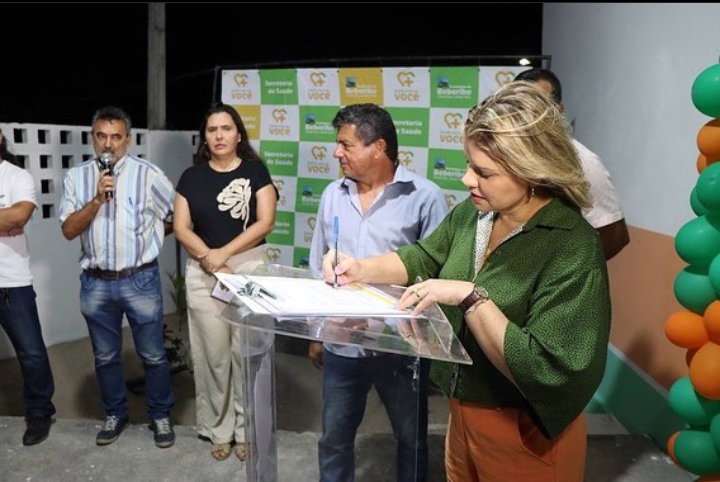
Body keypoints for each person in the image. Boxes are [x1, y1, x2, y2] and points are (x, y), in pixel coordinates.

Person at [324, 83, 611, 481]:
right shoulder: (474, 215)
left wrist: (470, 297)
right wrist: (360, 268)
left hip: (526, 431)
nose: (466, 179)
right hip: (462, 415)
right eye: (469, 164)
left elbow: (549, 370)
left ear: (532, 169)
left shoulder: (571, 246)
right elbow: (423, 257)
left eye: (483, 172)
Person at [308, 103, 449, 482]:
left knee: (411, 440)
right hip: (342, 343)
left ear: (378, 147)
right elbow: (318, 263)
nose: (336, 152)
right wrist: (318, 331)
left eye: (346, 145)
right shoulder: (332, 194)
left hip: (400, 347)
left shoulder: (425, 197)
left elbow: (437, 272)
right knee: (334, 438)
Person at [59, 106, 176, 448]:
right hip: (95, 282)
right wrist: (97, 199)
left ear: (128, 139)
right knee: (105, 356)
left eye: (116, 137)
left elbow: (175, 217)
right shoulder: (76, 177)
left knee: (153, 355)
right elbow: (68, 230)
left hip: (140, 279)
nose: (108, 144)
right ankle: (115, 414)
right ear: (92, 138)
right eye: (101, 136)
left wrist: (149, 238)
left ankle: (160, 415)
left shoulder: (149, 175)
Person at [174, 104, 277, 462]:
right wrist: (210, 258)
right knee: (214, 357)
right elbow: (181, 228)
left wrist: (224, 254)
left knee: (246, 355)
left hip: (248, 269)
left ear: (238, 134)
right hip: (204, 272)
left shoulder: (255, 171)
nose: (219, 136)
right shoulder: (191, 177)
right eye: (212, 129)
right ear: (204, 137)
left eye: (226, 128)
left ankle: (247, 430)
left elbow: (265, 222)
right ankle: (218, 430)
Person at [515, 67, 630, 260]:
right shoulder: (504, 156)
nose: (528, 114)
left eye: (539, 104)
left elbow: (615, 236)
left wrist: (567, 269)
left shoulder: (583, 162)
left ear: (559, 110)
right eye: (519, 105)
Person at [0, 128, 56, 446]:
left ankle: (39, 412)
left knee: (32, 354)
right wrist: (4, 219)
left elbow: (19, 216)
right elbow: (9, 219)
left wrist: (12, 219)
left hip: (12, 283)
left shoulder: (16, 176)